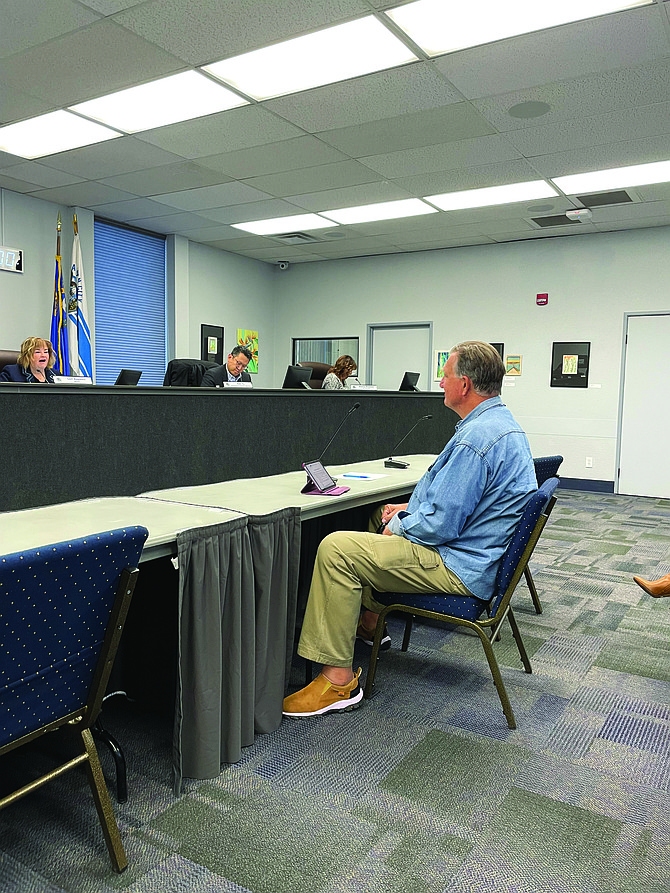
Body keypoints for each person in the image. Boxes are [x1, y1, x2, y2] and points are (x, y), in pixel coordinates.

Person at [282, 340, 537, 719]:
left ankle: (337, 681)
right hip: (474, 552)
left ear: (464, 385)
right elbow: (465, 504)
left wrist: (401, 524)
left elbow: (440, 525)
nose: (440, 382)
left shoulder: (475, 440)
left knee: (337, 549)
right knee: (374, 515)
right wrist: (404, 509)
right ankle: (370, 623)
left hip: (457, 565)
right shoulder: (499, 425)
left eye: (446, 375)